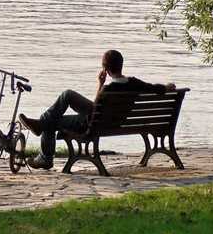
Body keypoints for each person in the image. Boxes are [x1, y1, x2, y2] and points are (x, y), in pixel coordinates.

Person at [19, 49, 176, 170]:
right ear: (121, 65)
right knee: (65, 99)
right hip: (115, 123)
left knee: (53, 118)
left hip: (94, 124)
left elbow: (95, 110)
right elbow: (156, 88)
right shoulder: (135, 83)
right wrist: (168, 86)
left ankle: (45, 156)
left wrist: (100, 84)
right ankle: (41, 127)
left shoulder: (108, 90)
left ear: (105, 69)